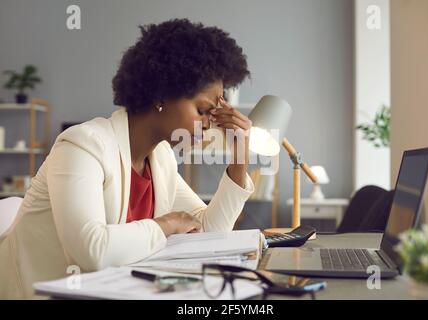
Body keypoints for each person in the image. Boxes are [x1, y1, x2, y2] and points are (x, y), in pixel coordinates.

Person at [0, 18, 254, 299]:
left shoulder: (161, 159)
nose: (209, 125)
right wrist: (167, 224)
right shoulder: (83, 145)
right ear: (161, 95)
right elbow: (91, 252)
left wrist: (239, 157)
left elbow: (209, 233)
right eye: (203, 111)